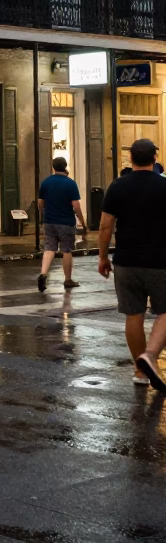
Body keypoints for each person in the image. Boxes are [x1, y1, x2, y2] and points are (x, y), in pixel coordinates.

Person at [98, 138, 166, 390]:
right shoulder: (164, 187)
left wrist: (103, 257)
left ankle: (140, 372)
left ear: (131, 159)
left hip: (126, 261)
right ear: (154, 159)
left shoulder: (117, 187)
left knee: (133, 314)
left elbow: (106, 226)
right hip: (161, 260)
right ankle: (150, 354)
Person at [37, 156, 86, 292]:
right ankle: (68, 279)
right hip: (66, 221)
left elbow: (40, 204)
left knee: (49, 248)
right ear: (65, 167)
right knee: (66, 250)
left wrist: (44, 216)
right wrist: (82, 221)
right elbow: (76, 206)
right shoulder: (70, 183)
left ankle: (43, 273)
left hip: (50, 221)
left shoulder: (45, 182)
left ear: (53, 167)